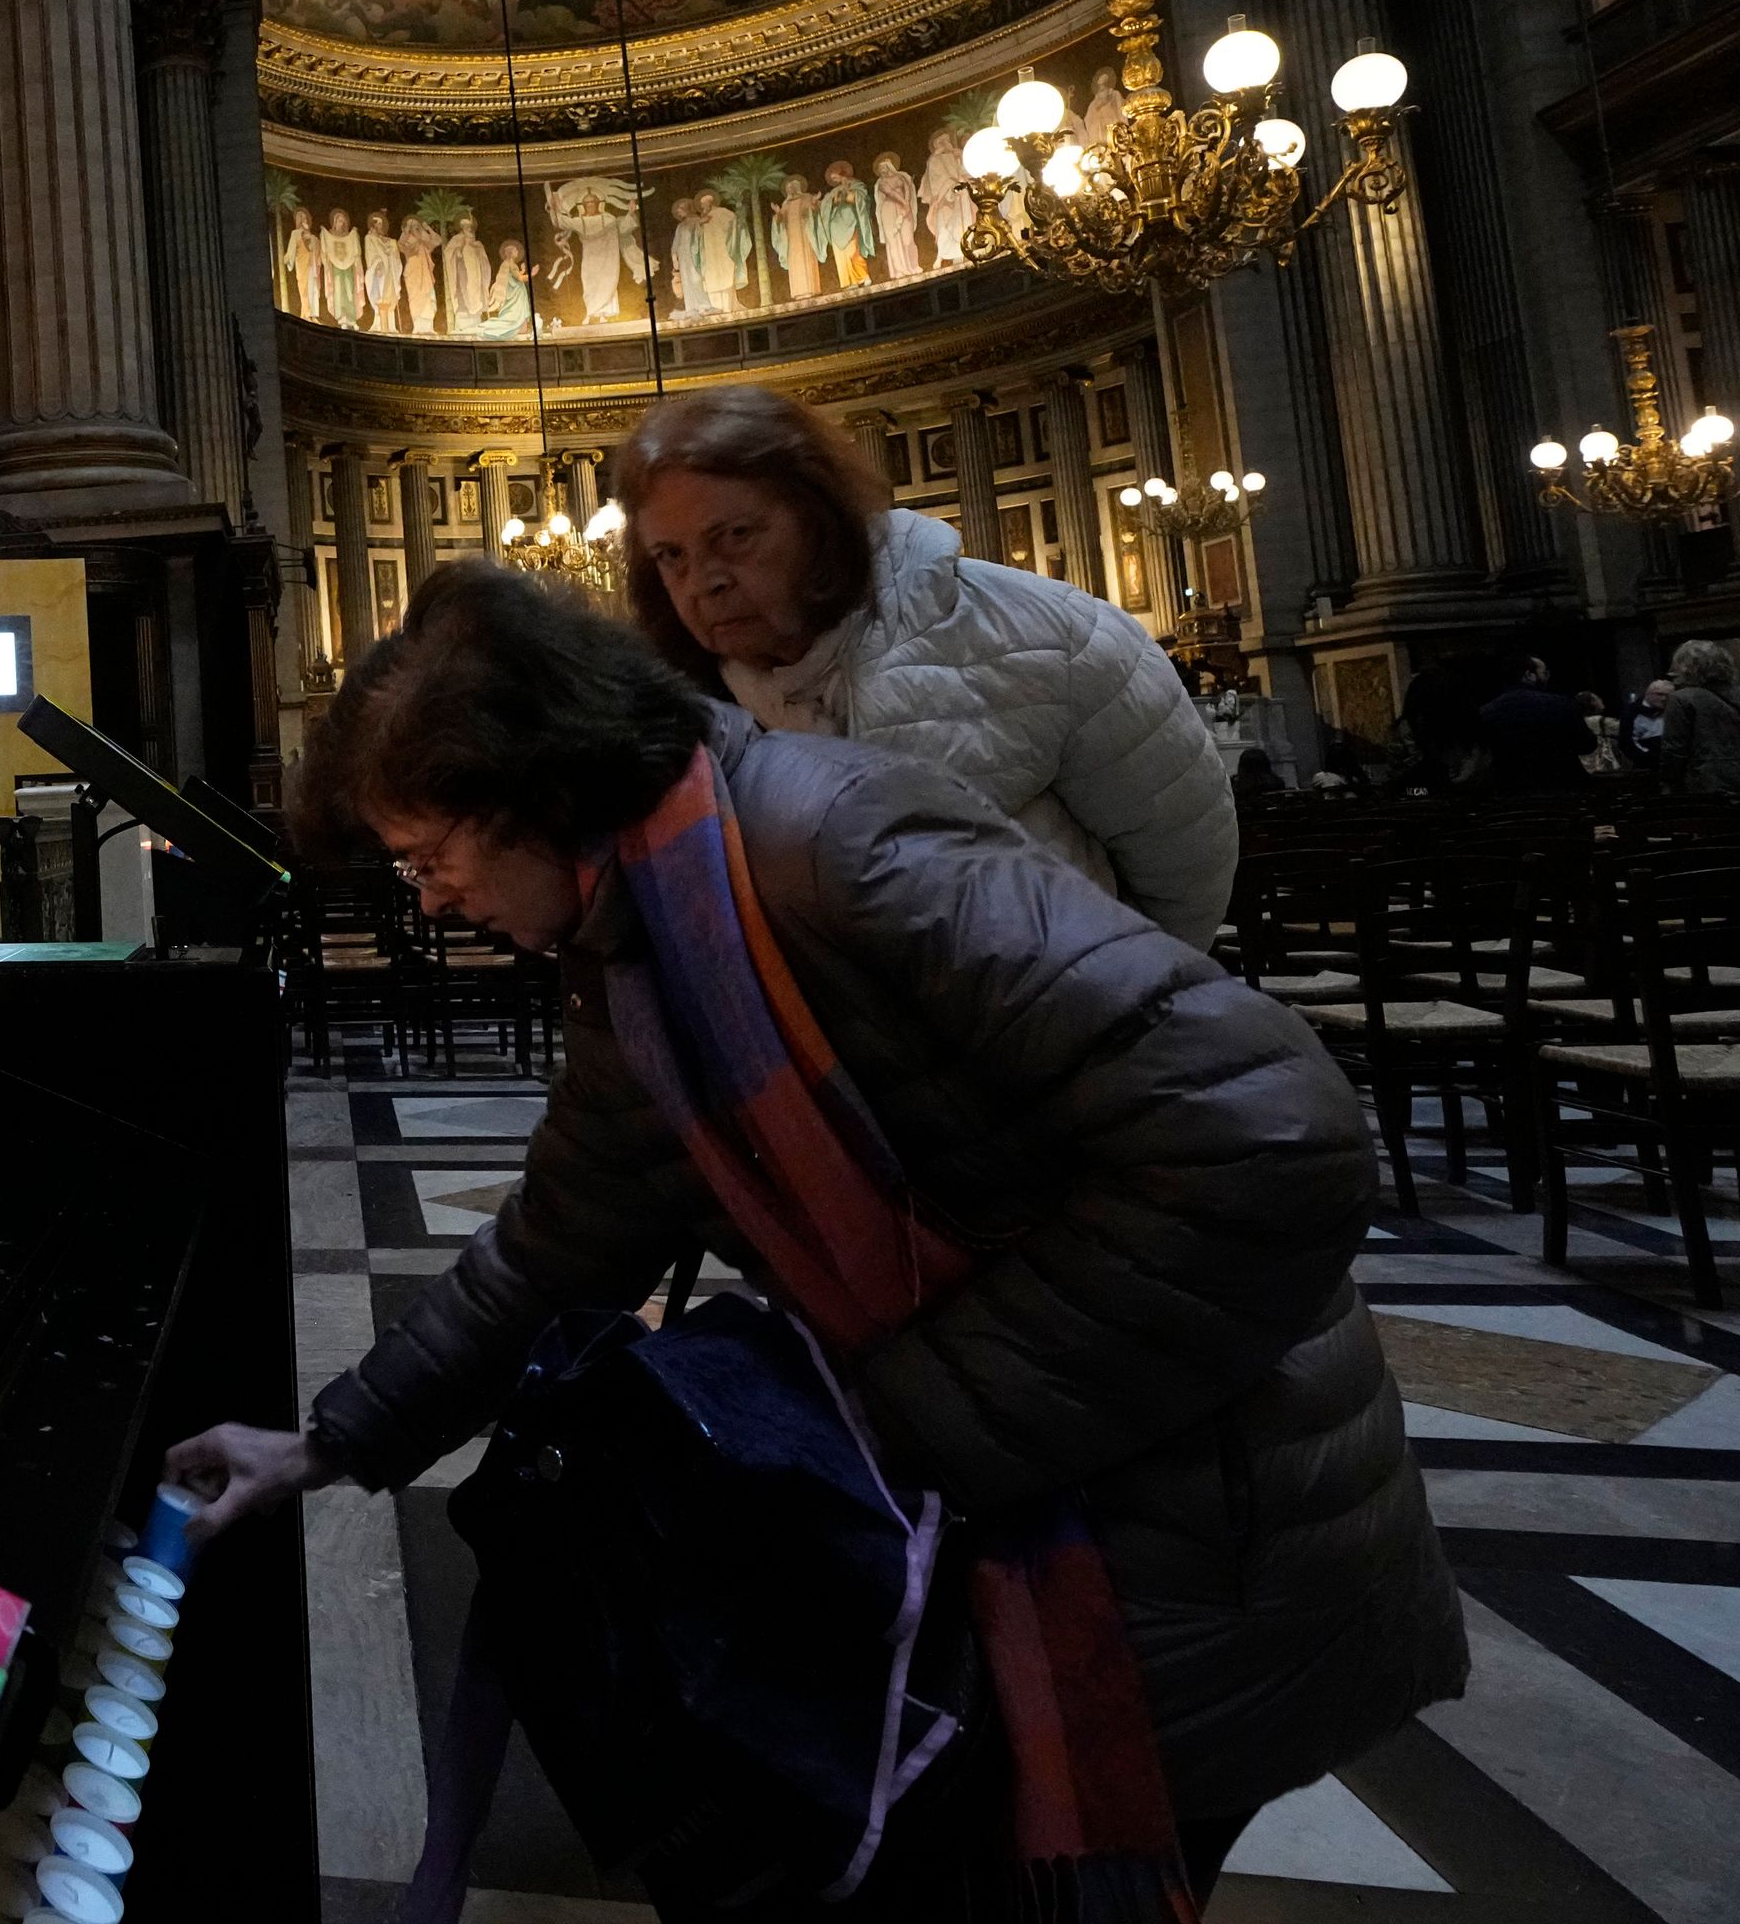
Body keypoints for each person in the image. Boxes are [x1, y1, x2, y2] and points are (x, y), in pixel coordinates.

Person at [167, 565, 1463, 1913]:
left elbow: (1273, 1137)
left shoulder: (840, 848)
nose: (428, 899)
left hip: (1203, 1509)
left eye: (429, 855)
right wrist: (337, 1437)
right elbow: (565, 1234)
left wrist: (900, 1421)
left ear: (539, 798)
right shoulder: (654, 918)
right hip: (1059, 1500)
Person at [608, 386, 1238, 949]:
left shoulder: (1050, 633)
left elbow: (1186, 863)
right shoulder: (665, 714)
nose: (704, 583)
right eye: (671, 555)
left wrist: (1108, 1012)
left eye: (735, 536)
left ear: (820, 517)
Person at [1473, 657, 1592, 793]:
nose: (1547, 677)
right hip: (1565, 788)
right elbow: (1586, 745)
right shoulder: (1561, 704)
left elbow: (1483, 758)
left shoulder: (1485, 712)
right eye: (1544, 672)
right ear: (1529, 675)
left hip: (1511, 792)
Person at [1664, 639, 1740, 793]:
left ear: (1687, 667)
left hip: (1707, 786)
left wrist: (1668, 785)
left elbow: (1674, 751)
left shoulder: (1681, 699)